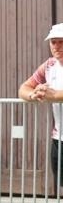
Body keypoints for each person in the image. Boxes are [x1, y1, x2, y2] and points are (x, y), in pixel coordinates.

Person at [18, 22, 63, 192]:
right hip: (59, 138)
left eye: (61, 41)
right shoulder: (49, 65)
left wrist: (50, 94)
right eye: (53, 42)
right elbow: (23, 88)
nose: (57, 46)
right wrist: (33, 95)